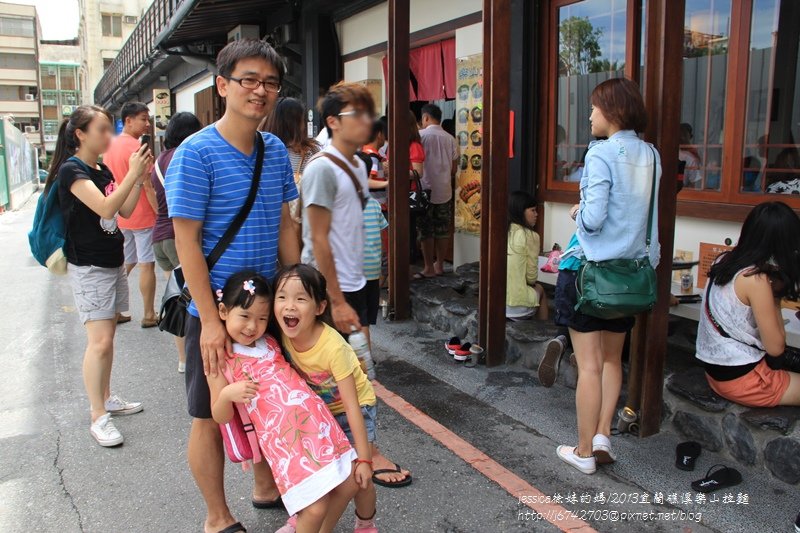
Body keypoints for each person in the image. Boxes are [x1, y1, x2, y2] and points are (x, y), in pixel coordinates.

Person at [165, 39, 300, 533]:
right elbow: (187, 242)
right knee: (210, 414)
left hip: (267, 305)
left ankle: (266, 486)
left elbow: (286, 224)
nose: (259, 91)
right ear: (222, 85)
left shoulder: (275, 150)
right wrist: (207, 323)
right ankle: (217, 516)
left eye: (269, 82)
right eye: (248, 79)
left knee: (268, 394)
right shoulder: (196, 154)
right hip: (219, 309)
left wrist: (296, 295)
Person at [301, 82, 411, 488]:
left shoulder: (359, 165)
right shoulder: (322, 169)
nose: (367, 121)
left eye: (370, 114)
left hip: (356, 283)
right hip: (330, 290)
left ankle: (346, 450)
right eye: (357, 114)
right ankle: (366, 453)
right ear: (332, 121)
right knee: (348, 375)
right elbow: (318, 238)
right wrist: (336, 299)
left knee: (356, 373)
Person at [554, 78, 661, 475]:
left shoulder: (600, 153)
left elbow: (594, 219)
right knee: (614, 360)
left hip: (591, 274)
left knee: (590, 366)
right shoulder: (652, 154)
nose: (590, 115)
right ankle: (602, 435)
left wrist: (576, 212)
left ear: (612, 112)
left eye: (595, 108)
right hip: (629, 278)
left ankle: (583, 451)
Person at [208, 272, 360, 533]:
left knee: (349, 481)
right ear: (223, 310)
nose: (251, 326)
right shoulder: (223, 358)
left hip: (319, 426)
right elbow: (219, 416)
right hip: (286, 443)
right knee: (315, 507)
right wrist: (227, 395)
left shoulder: (270, 341)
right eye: (244, 316)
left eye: (262, 319)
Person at [43, 105, 153, 446]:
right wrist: (132, 174)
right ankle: (97, 415)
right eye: (102, 130)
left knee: (109, 339)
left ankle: (105, 398)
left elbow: (125, 209)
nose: (108, 136)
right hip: (88, 266)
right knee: (100, 342)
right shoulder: (72, 171)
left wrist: (139, 177)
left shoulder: (100, 169)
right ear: (80, 134)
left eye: (110, 129)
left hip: (110, 260)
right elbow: (105, 208)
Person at [274, 264, 385, 532]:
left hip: (354, 408)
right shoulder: (281, 334)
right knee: (313, 470)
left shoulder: (333, 347)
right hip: (319, 411)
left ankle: (366, 523)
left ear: (320, 307)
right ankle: (303, 517)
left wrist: (366, 459)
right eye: (282, 297)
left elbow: (352, 406)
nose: (290, 306)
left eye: (300, 298)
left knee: (358, 478)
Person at [696, 201, 800, 407]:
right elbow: (776, 347)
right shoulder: (756, 279)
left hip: (717, 370)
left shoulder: (724, 260)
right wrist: (777, 296)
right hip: (746, 380)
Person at [150, 111, 202, 373]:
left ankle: (182, 359)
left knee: (177, 297)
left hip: (159, 236)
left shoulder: (158, 161)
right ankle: (192, 357)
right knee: (190, 298)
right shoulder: (185, 157)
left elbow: (154, 201)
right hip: (178, 237)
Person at [104, 102, 158, 327]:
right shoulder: (138, 148)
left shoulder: (109, 146)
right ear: (128, 120)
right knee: (147, 264)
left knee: (126, 262)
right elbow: (147, 183)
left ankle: (115, 310)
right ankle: (148, 313)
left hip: (120, 212)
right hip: (142, 212)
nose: (147, 124)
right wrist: (160, 211)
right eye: (143, 119)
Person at [262, 97, 321, 226]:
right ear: (297, 121)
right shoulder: (310, 152)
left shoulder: (263, 150)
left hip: (268, 222)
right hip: (302, 222)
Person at [417, 104, 458, 278]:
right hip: (445, 191)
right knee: (443, 230)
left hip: (425, 191)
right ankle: (440, 264)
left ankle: (428, 267)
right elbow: (454, 168)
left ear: (425, 117)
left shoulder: (420, 136)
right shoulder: (451, 139)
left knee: (426, 230)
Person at [505, 191, 547, 322]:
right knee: (541, 289)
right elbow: (531, 277)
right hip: (517, 307)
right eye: (533, 210)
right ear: (520, 211)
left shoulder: (500, 231)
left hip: (494, 304)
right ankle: (542, 332)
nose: (536, 214)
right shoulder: (530, 236)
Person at [363, 196, 389, 343]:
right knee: (364, 320)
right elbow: (383, 233)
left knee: (357, 320)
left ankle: (363, 362)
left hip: (351, 275)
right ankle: (366, 360)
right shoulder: (374, 204)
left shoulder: (340, 203)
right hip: (372, 271)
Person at [362, 119, 388, 209]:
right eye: (384, 134)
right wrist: (389, 183)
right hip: (376, 206)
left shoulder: (365, 152)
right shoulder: (373, 157)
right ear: (379, 134)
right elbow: (367, 182)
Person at [678, 123, 703, 189]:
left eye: (684, 135)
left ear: (690, 136)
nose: (681, 138)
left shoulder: (693, 155)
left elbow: (695, 181)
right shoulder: (670, 153)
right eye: (679, 135)